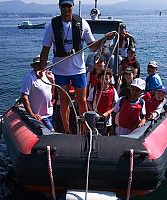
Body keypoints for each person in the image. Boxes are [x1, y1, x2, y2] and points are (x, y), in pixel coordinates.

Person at [39, 0, 115, 134]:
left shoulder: (82, 24)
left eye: (69, 6)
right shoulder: (52, 26)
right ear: (59, 6)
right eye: (64, 6)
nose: (66, 8)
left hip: (78, 70)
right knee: (63, 101)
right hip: (60, 71)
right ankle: (67, 131)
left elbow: (92, 46)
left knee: (82, 101)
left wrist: (104, 39)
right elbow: (45, 49)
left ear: (73, 6)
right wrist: (41, 69)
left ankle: (85, 131)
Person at [20, 55, 55, 131]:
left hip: (50, 113)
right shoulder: (29, 78)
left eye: (44, 64)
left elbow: (52, 93)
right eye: (39, 64)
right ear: (35, 66)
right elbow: (24, 97)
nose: (42, 66)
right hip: (40, 116)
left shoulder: (47, 75)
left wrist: (52, 81)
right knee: (51, 131)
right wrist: (32, 114)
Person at [87, 69, 119, 135]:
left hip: (107, 118)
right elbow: (88, 101)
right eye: (103, 78)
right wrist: (93, 111)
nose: (105, 81)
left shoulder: (113, 91)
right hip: (96, 117)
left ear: (110, 79)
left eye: (107, 79)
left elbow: (116, 105)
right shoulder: (95, 90)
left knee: (106, 134)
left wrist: (107, 113)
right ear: (99, 79)